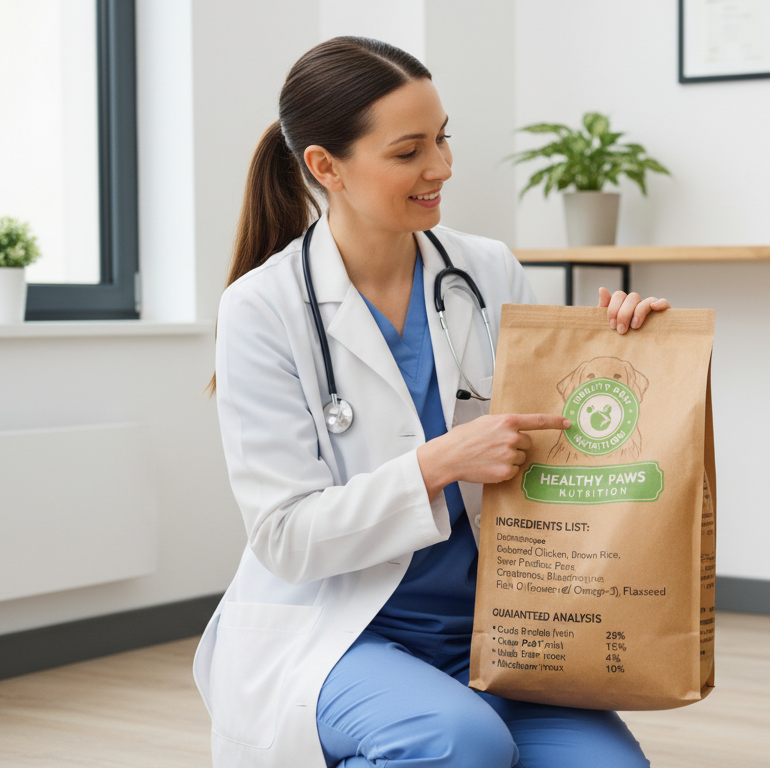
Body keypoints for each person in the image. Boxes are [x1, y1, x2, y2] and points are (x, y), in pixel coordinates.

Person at [193, 37, 668, 768]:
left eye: (443, 138)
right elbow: (285, 536)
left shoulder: (487, 271)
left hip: (500, 628)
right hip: (343, 632)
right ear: (326, 167)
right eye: (409, 150)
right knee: (456, 742)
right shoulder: (262, 308)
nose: (441, 168)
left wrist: (618, 349)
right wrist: (436, 465)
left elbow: (557, 447)